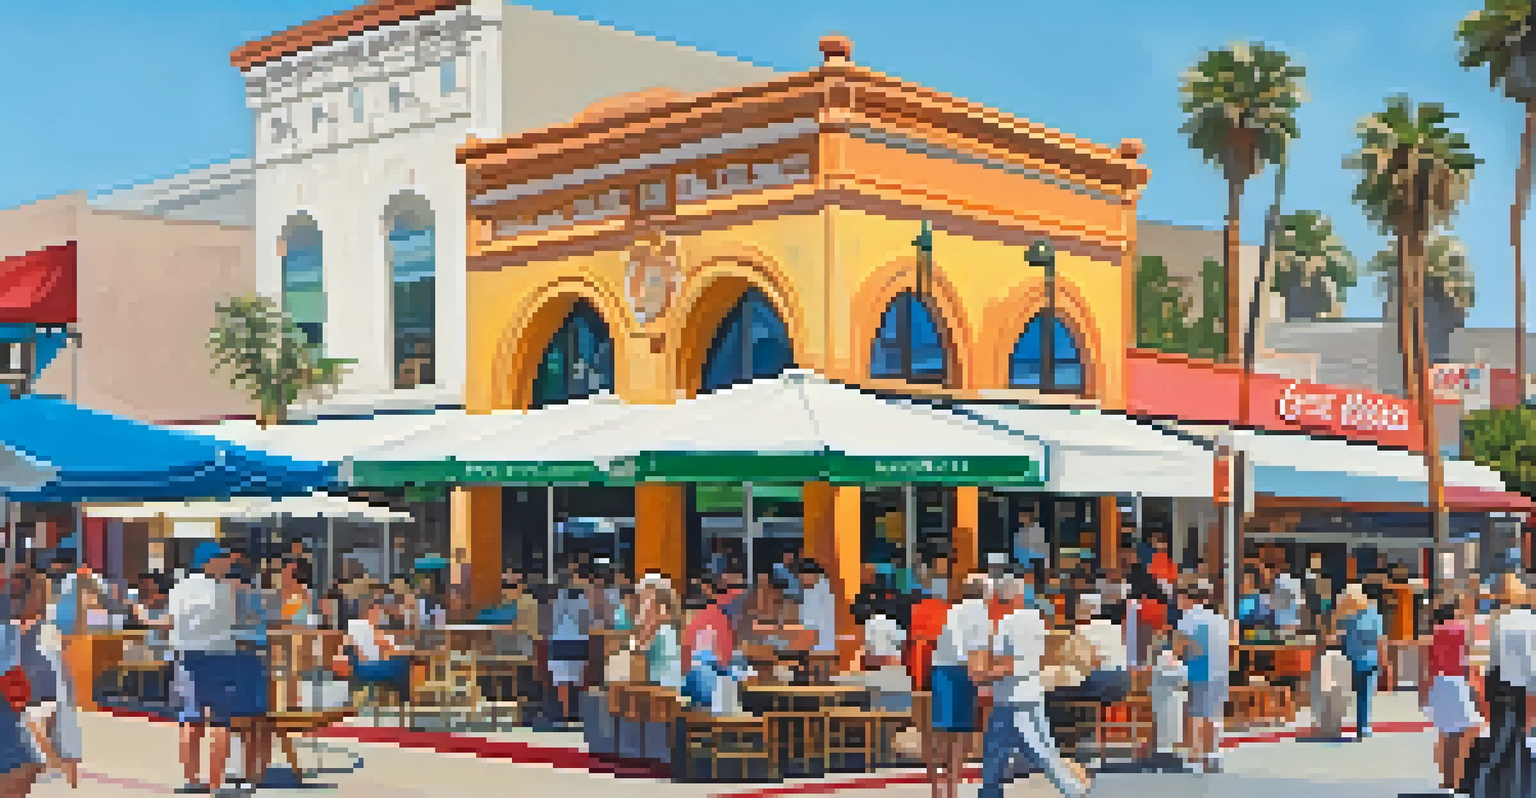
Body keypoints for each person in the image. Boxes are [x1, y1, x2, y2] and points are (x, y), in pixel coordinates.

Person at [974, 567, 1091, 798]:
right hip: (1030, 694)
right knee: (1031, 749)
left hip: (1010, 697)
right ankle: (1072, 789)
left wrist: (983, 674)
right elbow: (1042, 656)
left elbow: (1006, 664)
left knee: (1015, 752)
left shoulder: (1003, 625)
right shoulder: (1037, 620)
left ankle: (1073, 790)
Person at [167, 542, 239, 795]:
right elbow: (230, 621)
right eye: (224, 559)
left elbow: (172, 621)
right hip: (218, 656)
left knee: (191, 718)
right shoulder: (222, 590)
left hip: (186, 655)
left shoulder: (178, 588)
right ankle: (217, 784)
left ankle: (191, 780)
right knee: (220, 720)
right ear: (209, 562)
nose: (229, 564)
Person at [1466, 572, 1536, 797]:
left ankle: (1488, 788)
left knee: (1499, 741)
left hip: (1499, 684)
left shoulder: (1496, 621)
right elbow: (1531, 662)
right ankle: (1518, 789)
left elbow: (1491, 659)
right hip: (1523, 686)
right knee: (1520, 741)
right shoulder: (1530, 621)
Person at [1421, 592, 1484, 793]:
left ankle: (1448, 779)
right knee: (1465, 735)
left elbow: (1428, 667)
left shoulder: (1434, 633)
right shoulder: (1464, 629)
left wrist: (1426, 693)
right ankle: (1461, 779)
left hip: (1441, 683)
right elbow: (1471, 659)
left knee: (1446, 736)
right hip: (1460, 681)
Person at [1174, 577, 1229, 773]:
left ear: (1188, 598)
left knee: (1194, 715)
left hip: (1199, 671)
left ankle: (1194, 756)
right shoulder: (1219, 619)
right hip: (1220, 672)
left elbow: (1178, 647)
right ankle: (1212, 754)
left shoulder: (1189, 618)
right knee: (1212, 714)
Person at [1337, 583, 1383, 740]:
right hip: (1371, 659)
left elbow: (1343, 638)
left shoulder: (1349, 619)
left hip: (1355, 660)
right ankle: (1364, 726)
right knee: (1366, 694)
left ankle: (1360, 725)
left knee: (1358, 695)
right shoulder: (1376, 616)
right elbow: (1380, 640)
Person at [547, 575, 592, 724]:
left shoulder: (557, 603)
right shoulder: (583, 602)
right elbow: (587, 623)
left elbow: (552, 622)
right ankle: (579, 713)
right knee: (578, 681)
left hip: (560, 641)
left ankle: (565, 715)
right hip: (577, 642)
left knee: (563, 682)